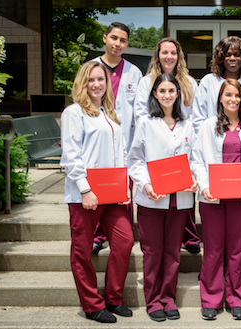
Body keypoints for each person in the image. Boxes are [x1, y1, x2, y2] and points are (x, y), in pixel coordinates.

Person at [60, 61, 134, 323]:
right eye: (91, 80)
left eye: (100, 79)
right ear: (82, 82)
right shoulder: (74, 112)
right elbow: (71, 155)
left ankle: (113, 298)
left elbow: (121, 155)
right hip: (85, 196)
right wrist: (85, 189)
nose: (96, 84)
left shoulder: (109, 114)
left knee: (124, 242)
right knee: (81, 251)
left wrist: (124, 187)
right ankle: (92, 305)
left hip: (113, 194)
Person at [127, 73, 197, 322]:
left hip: (180, 200)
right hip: (152, 199)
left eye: (171, 90)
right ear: (155, 94)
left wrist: (196, 179)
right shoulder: (146, 123)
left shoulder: (188, 125)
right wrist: (145, 184)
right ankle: (153, 300)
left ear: (178, 94)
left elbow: (195, 160)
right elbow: (134, 160)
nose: (167, 95)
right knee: (153, 252)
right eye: (162, 91)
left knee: (173, 253)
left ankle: (168, 298)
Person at [191, 79, 241, 321]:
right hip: (212, 197)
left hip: (240, 198)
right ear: (220, 98)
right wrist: (204, 185)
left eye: (237, 95)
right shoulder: (207, 126)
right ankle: (211, 299)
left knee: (236, 249)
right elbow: (197, 159)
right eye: (228, 95)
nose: (233, 99)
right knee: (212, 250)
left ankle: (237, 299)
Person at [133, 37, 201, 254]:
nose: (169, 56)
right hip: (156, 150)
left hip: (183, 145)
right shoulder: (146, 82)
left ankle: (189, 238)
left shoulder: (189, 82)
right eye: (164, 52)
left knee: (181, 207)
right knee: (155, 246)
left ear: (179, 56)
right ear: (158, 55)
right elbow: (141, 115)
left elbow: (195, 118)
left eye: (173, 52)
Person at [91, 22, 142, 255]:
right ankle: (98, 235)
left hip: (125, 141)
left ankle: (122, 233)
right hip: (98, 139)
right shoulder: (90, 67)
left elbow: (138, 111)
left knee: (123, 191)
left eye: (122, 40)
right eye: (114, 38)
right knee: (99, 186)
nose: (117, 44)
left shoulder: (134, 72)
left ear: (127, 43)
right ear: (104, 38)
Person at [191, 36, 241, 140]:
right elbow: (198, 118)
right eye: (228, 55)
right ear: (221, 58)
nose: (232, 58)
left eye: (237, 55)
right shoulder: (208, 82)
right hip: (213, 141)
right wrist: (207, 141)